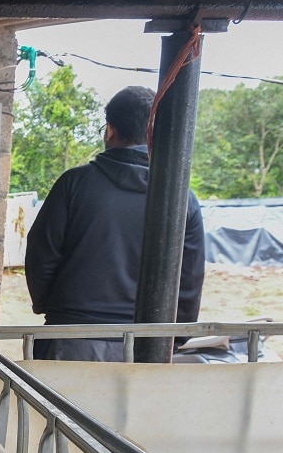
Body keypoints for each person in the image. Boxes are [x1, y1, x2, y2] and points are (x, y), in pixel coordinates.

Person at [24, 85, 206, 361]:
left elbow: (41, 256)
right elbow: (189, 279)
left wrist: (55, 309)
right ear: (155, 134)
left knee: (55, 393)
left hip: (70, 340)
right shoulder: (181, 198)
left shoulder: (74, 184)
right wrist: (172, 338)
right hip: (146, 345)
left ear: (110, 130)